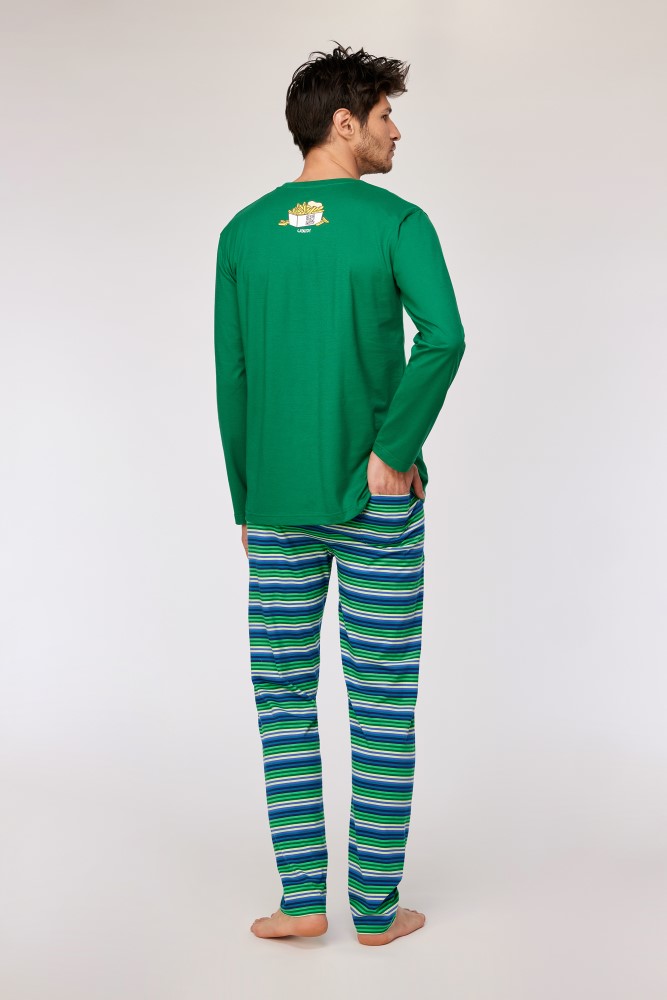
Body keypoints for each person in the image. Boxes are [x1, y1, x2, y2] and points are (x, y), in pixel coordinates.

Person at [213, 41, 466, 946]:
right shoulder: (399, 222)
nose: (396, 131)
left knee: (282, 698)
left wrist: (245, 498)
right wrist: (393, 451)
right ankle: (373, 910)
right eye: (385, 115)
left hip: (276, 504)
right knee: (382, 701)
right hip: (377, 503)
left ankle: (302, 901)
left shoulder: (242, 233)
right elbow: (444, 337)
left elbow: (232, 377)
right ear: (344, 122)